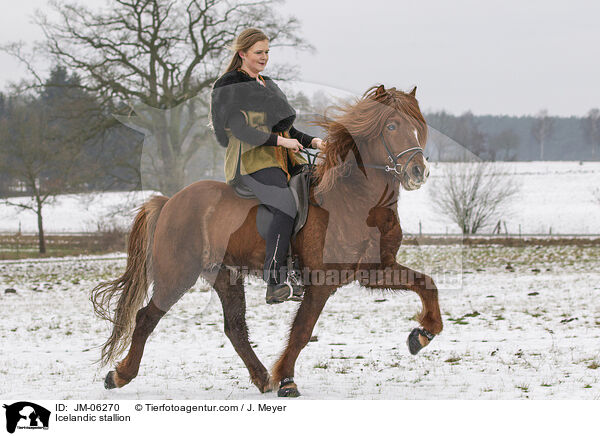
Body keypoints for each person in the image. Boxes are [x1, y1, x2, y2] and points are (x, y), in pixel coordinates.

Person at [210, 28, 324, 304]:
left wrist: (315, 142)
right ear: (242, 54)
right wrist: (281, 143)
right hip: (250, 159)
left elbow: (287, 129)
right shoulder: (230, 85)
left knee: (312, 196)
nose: (264, 58)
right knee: (285, 205)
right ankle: (275, 280)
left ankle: (298, 271)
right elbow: (241, 130)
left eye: (267, 53)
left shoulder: (267, 84)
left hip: (281, 159)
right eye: (259, 52)